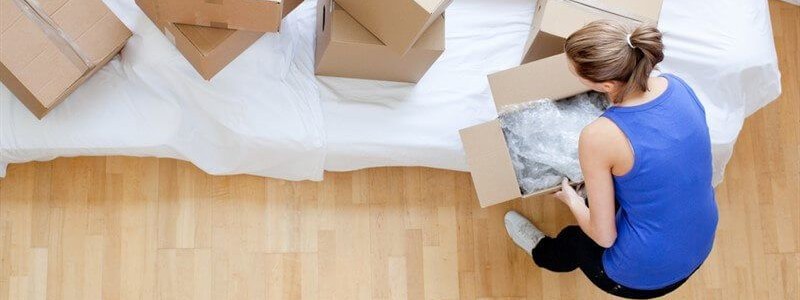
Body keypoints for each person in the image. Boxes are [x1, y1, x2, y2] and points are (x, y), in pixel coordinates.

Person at [503, 20, 719, 299]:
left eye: (574, 71)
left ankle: (542, 252)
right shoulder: (677, 85)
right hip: (700, 239)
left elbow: (605, 238)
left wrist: (572, 200)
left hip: (643, 275)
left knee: (576, 239)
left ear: (606, 84)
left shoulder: (598, 136)